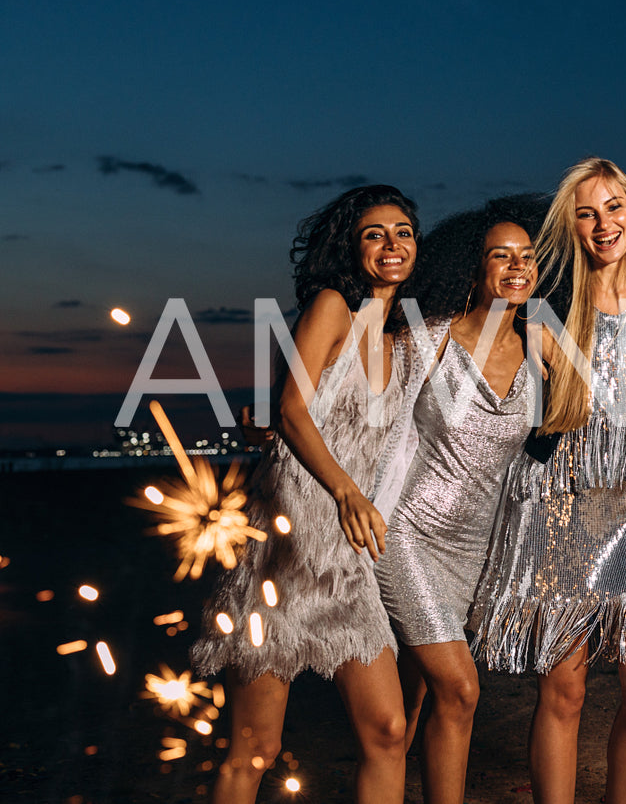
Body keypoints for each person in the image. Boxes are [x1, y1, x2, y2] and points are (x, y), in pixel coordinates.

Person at [470, 157, 626, 804]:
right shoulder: (545, 302)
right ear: (570, 226)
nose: (603, 223)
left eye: (614, 207)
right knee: (565, 687)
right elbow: (476, 364)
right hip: (558, 500)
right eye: (586, 212)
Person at [191, 185, 420, 804]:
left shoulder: (403, 339)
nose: (392, 244)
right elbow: (292, 411)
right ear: (351, 246)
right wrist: (345, 491)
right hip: (285, 553)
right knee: (254, 751)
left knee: (389, 731)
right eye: (375, 233)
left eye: (403, 231)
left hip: (350, 563)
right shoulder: (331, 307)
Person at [371, 195, 544, 804]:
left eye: (527, 256)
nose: (517, 266)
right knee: (462, 690)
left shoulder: (542, 355)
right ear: (476, 269)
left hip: (478, 550)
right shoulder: (427, 341)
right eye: (502, 255)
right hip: (407, 533)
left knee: (417, 695)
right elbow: (351, 398)